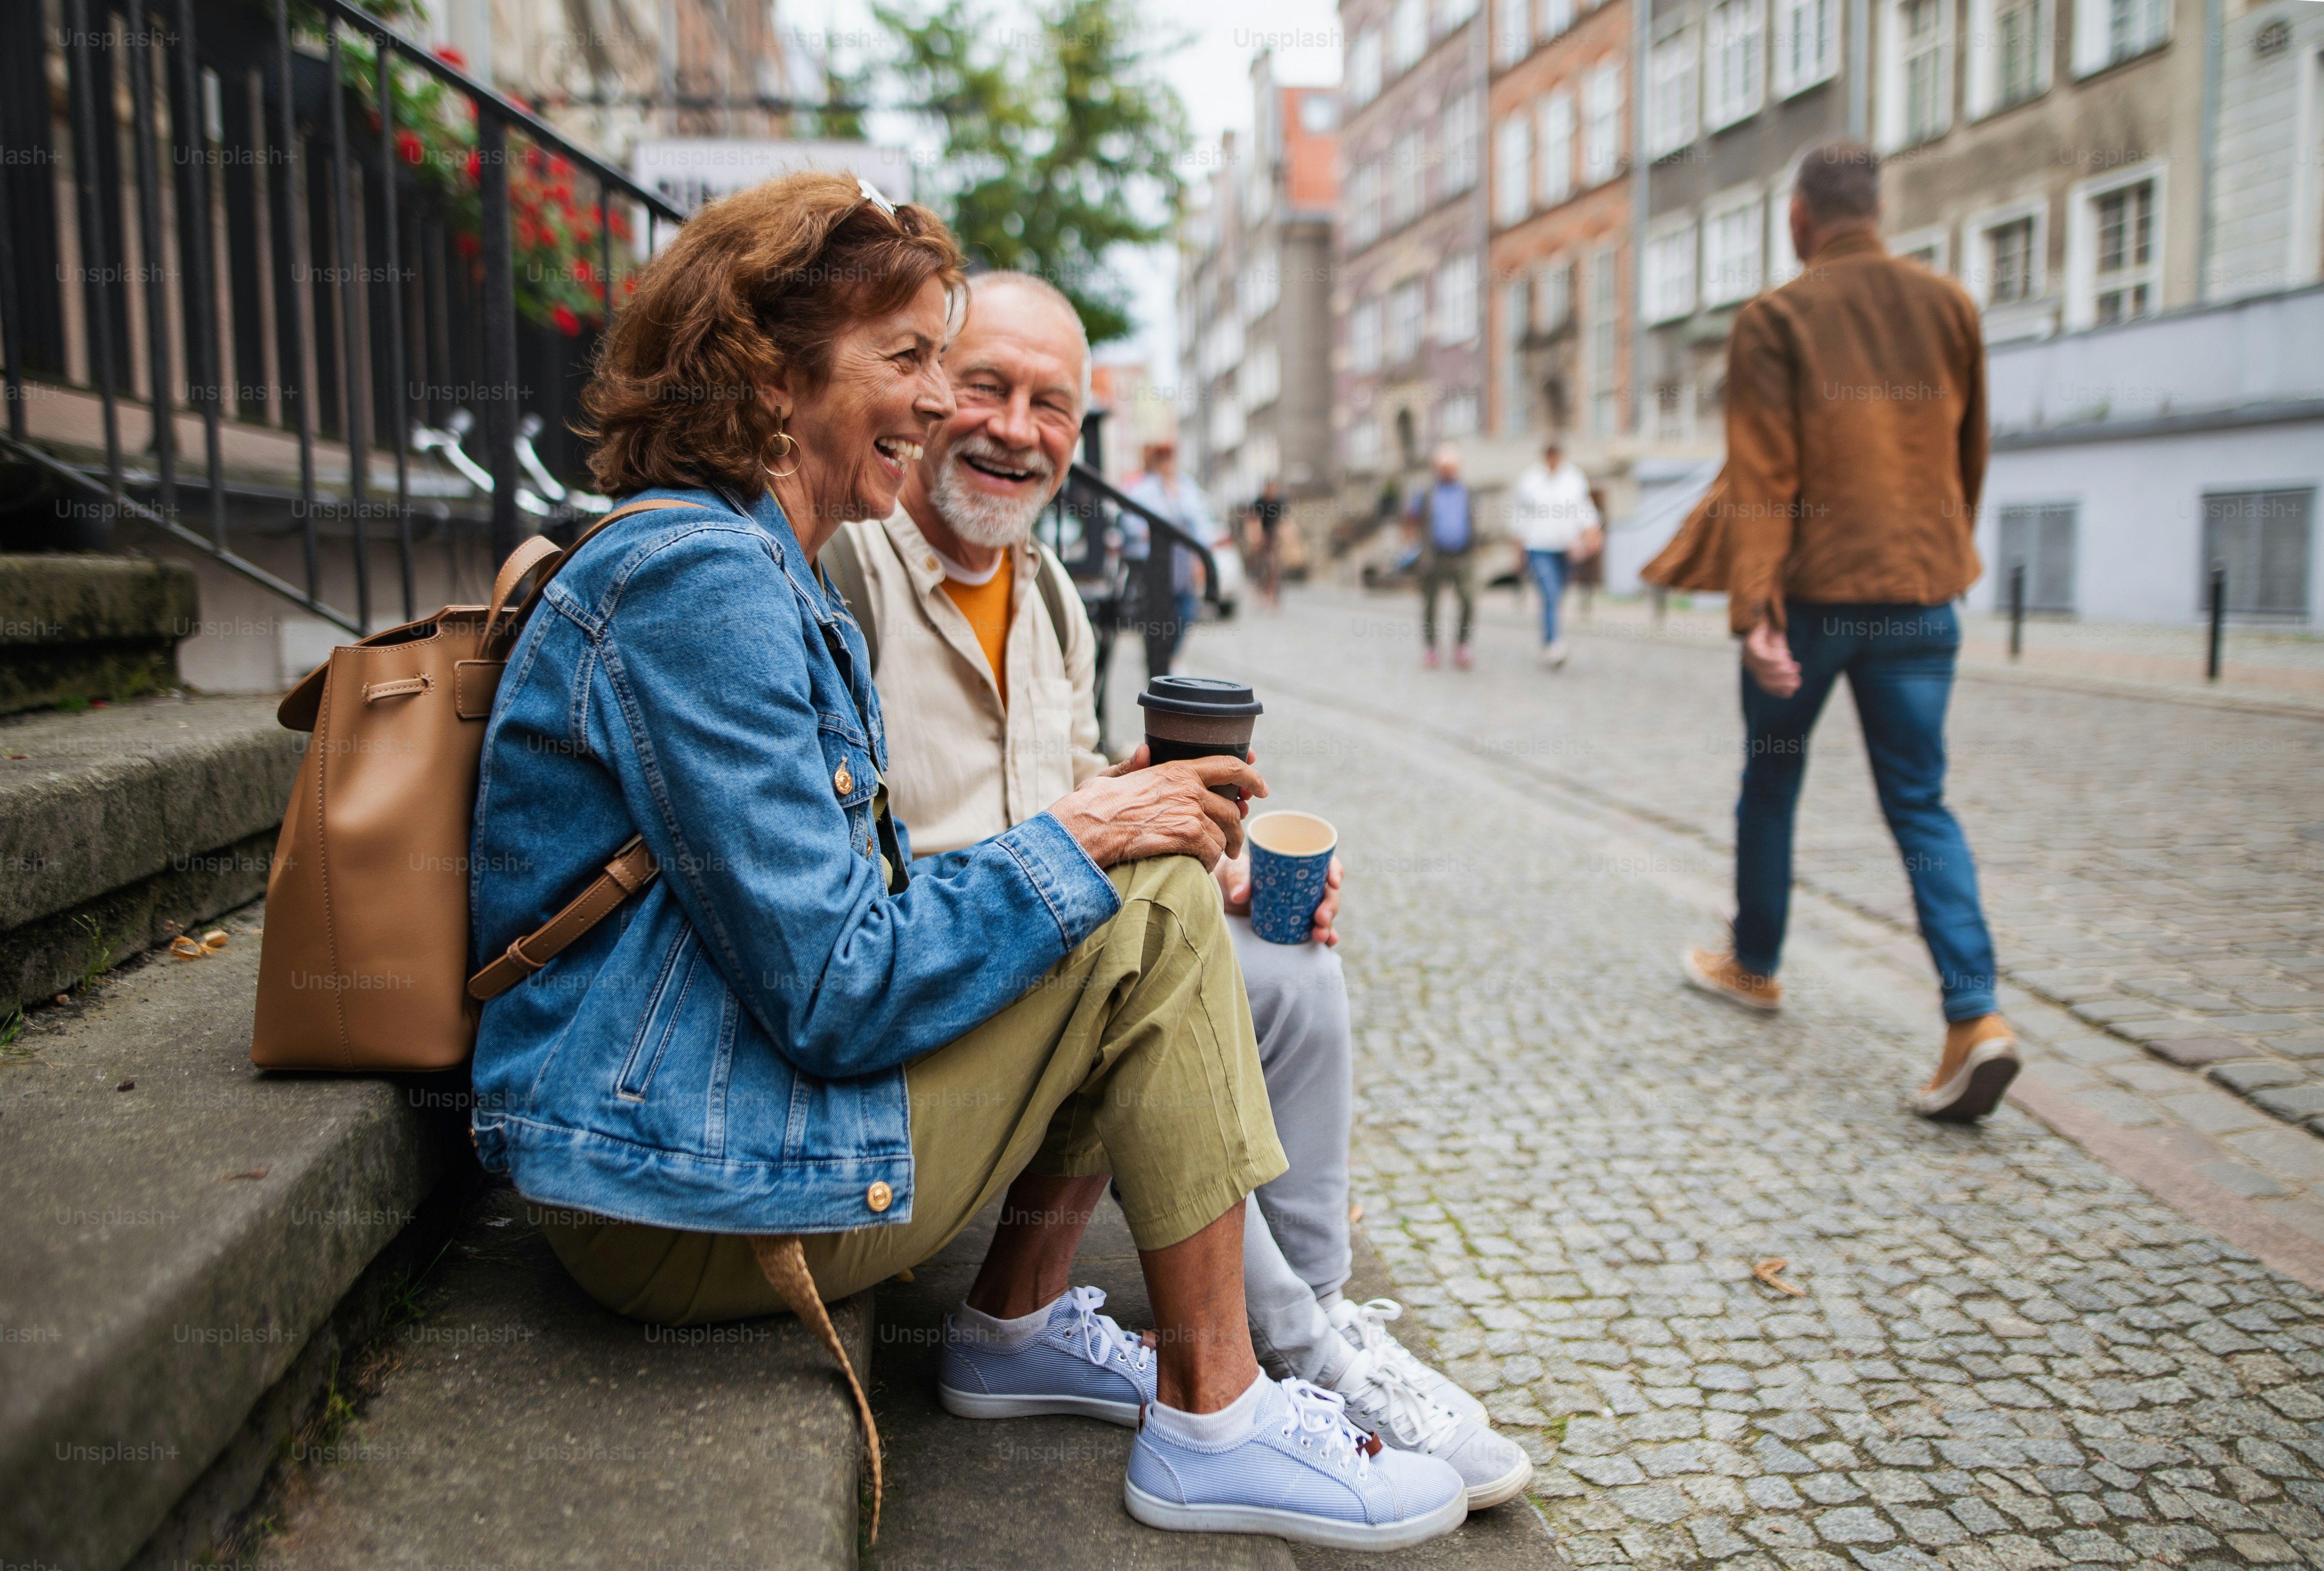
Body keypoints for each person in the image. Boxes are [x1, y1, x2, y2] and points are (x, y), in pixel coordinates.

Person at [467, 172, 1468, 1550]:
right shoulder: (701, 583)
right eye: (911, 361)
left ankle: (1039, 1337)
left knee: (1129, 898)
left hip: (695, 1131)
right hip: (669, 1194)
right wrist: (1088, 839)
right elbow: (838, 986)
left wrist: (1094, 832)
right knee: (1139, 903)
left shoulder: (759, 569)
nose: (940, 405)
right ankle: (1217, 1407)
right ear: (770, 374)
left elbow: (854, 921)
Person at [824, 270, 1532, 1511]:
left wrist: (1212, 848)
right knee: (1150, 943)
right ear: (926, 391)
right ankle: (1287, 1363)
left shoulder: (1045, 592)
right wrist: (1115, 837)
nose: (1014, 427)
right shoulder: (849, 571)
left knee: (1294, 963)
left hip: (1043, 954)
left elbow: (1064, 783)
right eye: (984, 385)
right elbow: (863, 891)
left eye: (1052, 406)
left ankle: (1313, 1309)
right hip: (935, 997)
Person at [1644, 140, 2014, 1121]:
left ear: (1798, 220)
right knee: (1919, 801)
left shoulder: (1775, 318)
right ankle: (1972, 1014)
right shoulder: (1950, 306)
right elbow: (1967, 456)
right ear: (1877, 210)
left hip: (1808, 603)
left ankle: (1754, 963)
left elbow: (1762, 476)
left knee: (1771, 780)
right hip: (1919, 597)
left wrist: (1753, 609)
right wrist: (1936, 556)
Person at [1509, 436, 1599, 669]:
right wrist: (1517, 549)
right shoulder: (1530, 481)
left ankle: (1549, 639)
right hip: (1538, 548)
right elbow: (1520, 517)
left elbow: (1584, 510)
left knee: (1557, 596)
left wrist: (1592, 535)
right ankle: (1553, 644)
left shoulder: (1574, 479)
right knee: (1549, 594)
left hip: (1565, 549)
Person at [1122, 440, 1210, 677]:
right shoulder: (1143, 489)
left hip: (1182, 560)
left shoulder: (1186, 487)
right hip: (1156, 562)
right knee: (1158, 616)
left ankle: (1169, 656)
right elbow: (1132, 524)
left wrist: (1201, 558)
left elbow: (1200, 523)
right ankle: (1158, 664)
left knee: (1186, 611)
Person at [1408, 444, 1476, 669]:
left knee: (1468, 599)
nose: (1448, 472)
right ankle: (1431, 648)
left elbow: (1472, 521)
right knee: (1430, 603)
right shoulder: (1427, 493)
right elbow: (1412, 520)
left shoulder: (1466, 492)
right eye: (1444, 468)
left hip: (1462, 554)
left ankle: (1462, 646)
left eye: (1452, 467)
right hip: (1434, 555)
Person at [1250, 477, 1287, 609]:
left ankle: (1273, 593)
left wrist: (1281, 536)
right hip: (1261, 534)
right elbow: (1254, 520)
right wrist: (1258, 535)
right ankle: (1259, 588)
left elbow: (1283, 521)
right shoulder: (1259, 502)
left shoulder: (1278, 502)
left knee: (1275, 565)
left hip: (1273, 535)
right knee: (1260, 563)